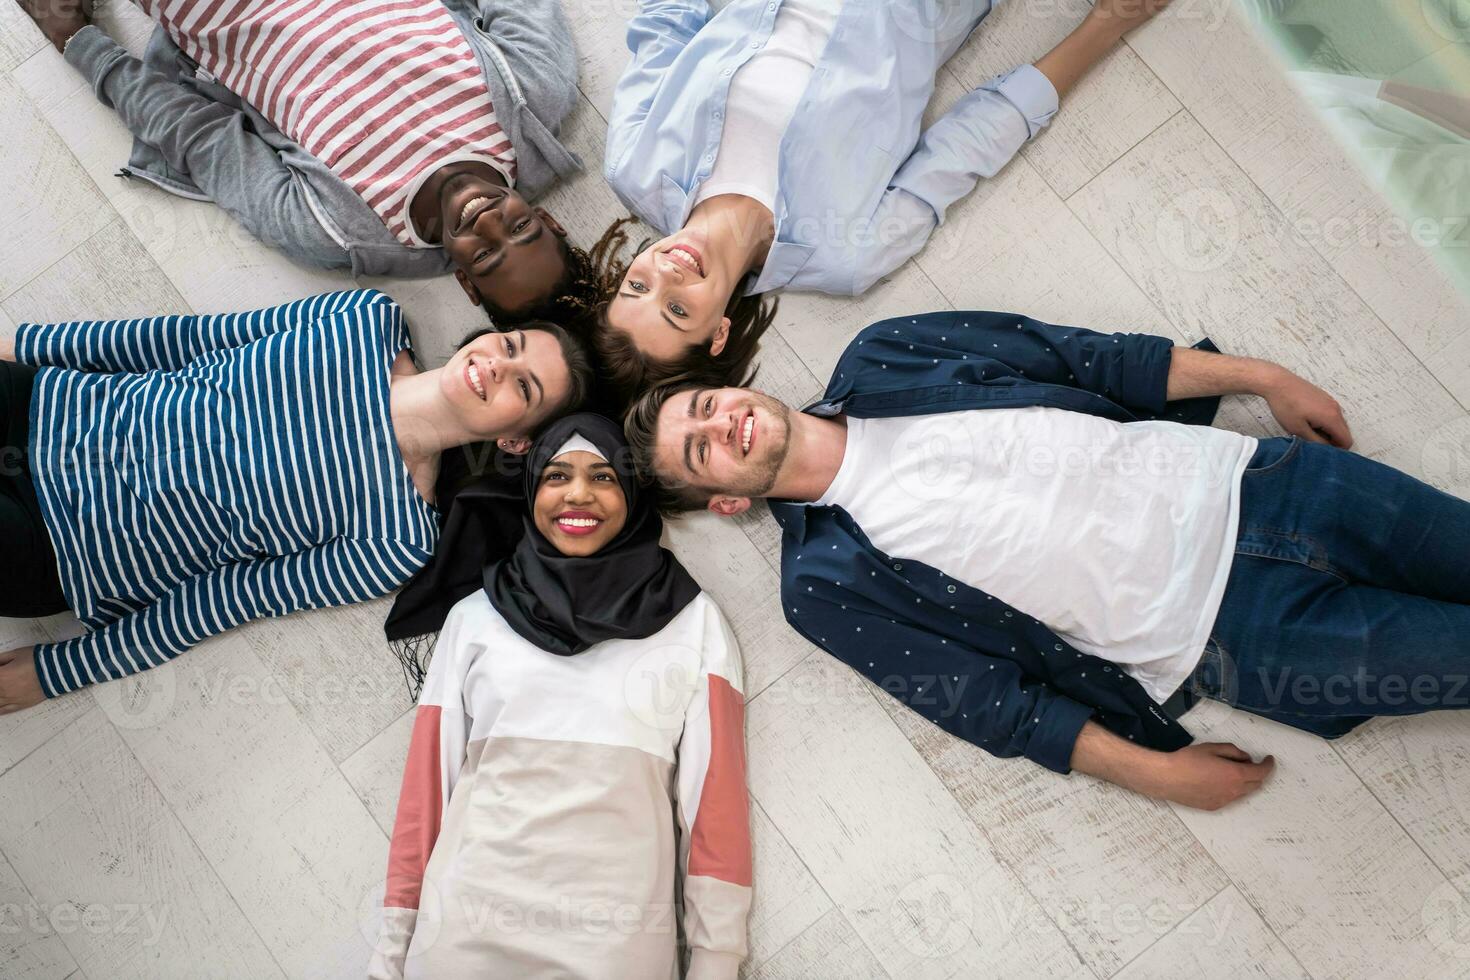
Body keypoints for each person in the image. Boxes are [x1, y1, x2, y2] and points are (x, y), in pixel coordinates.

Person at [624, 309, 1470, 811]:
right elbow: (992, 705)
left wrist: (1265, 377)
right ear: (727, 502)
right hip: (1237, 636)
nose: (721, 425)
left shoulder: (888, 354)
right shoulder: (820, 586)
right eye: (701, 452)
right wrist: (1157, 776)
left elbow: (1089, 358)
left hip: (1270, 484)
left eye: (705, 406)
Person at [0, 288, 593, 714]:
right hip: (41, 402)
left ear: (516, 440)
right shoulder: (365, 318)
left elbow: (229, 598)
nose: (496, 363)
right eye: (511, 344)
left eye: (523, 385)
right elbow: (185, 340)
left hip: (60, 545)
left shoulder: (397, 538)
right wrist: (25, 344)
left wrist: (58, 672)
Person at [590, 0, 1172, 398]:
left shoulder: (636, 164)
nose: (667, 273)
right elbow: (972, 142)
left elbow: (664, 22)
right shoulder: (845, 255)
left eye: (637, 286)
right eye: (678, 310)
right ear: (717, 332)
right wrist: (1109, 22)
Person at [371, 414, 751, 980]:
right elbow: (426, 793)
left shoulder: (693, 624)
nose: (578, 494)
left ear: (634, 493)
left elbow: (714, 809)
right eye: (555, 476)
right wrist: (391, 950)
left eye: (603, 477)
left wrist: (716, 961)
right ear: (530, 492)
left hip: (616, 949)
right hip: (463, 936)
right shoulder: (475, 619)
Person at [16, 0, 593, 324]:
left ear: (465, 281)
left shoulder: (339, 231)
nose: (486, 219)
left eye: (487, 254)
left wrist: (75, 40)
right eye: (520, 227)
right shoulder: (533, 95)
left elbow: (202, 139)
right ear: (551, 220)